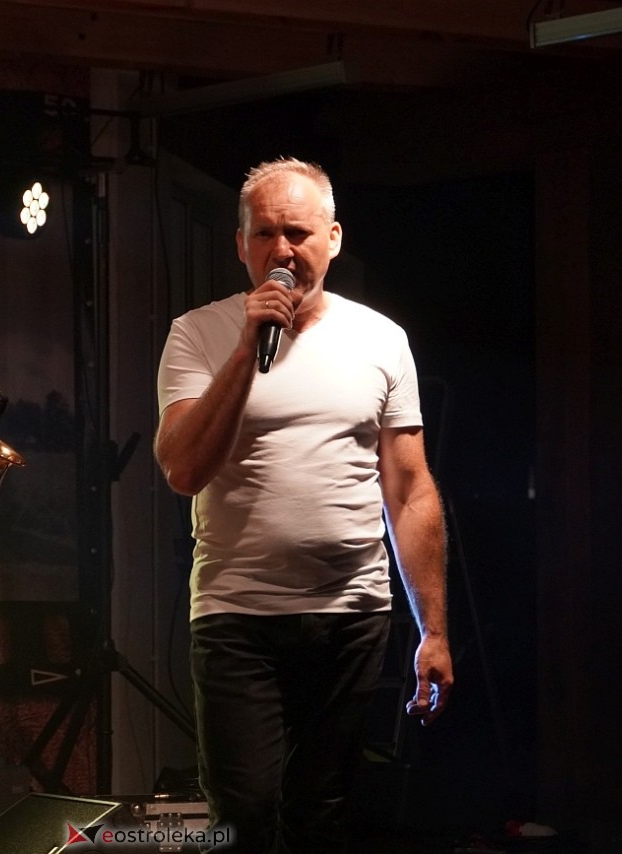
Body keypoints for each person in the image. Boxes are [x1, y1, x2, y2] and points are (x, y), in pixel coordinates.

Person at [154, 158, 453, 852]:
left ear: (333, 238)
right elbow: (183, 469)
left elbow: (410, 489)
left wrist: (433, 631)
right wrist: (245, 349)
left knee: (322, 814)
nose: (281, 250)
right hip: (238, 613)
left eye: (298, 232)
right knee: (245, 814)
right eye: (264, 233)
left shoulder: (381, 339)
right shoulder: (197, 333)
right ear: (241, 245)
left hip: (351, 615)